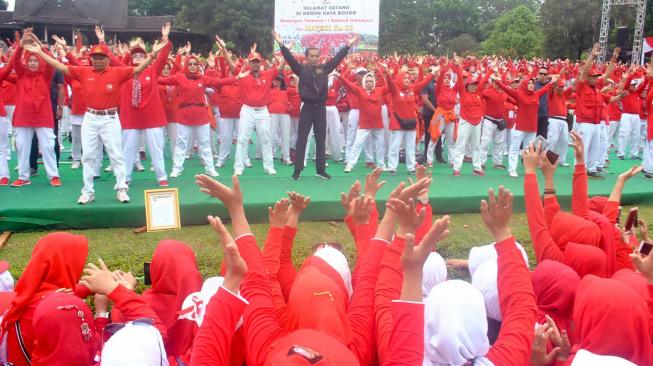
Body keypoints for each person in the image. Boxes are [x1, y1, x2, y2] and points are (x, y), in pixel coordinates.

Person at [21, 31, 167, 204]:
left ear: (107, 59)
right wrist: (39, 52)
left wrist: (152, 54)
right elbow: (60, 67)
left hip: (110, 118)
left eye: (101, 57)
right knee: (88, 156)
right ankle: (88, 191)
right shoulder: (84, 72)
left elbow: (139, 68)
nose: (97, 60)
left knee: (116, 155)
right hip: (90, 118)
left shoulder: (117, 72)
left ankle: (121, 189)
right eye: (94, 57)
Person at [273, 30, 356, 180]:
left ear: (319, 58)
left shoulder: (324, 69)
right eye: (311, 56)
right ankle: (297, 170)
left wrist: (347, 46)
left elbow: (337, 58)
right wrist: (281, 44)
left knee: (320, 139)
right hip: (307, 108)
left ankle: (320, 170)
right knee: (302, 139)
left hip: (321, 108)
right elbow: (289, 58)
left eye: (316, 56)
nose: (314, 58)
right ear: (306, 57)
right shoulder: (300, 69)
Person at [158, 39, 243, 179]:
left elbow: (219, 82)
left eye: (195, 64)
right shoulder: (179, 77)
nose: (192, 66)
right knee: (181, 143)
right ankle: (177, 168)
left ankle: (210, 168)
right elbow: (161, 79)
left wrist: (237, 77)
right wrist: (146, 73)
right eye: (190, 64)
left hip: (201, 116)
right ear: (186, 65)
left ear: (198, 66)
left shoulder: (202, 78)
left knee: (205, 143)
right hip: (184, 116)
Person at [117, 23, 172, 187]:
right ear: (130, 58)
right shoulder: (124, 72)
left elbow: (163, 57)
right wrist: (105, 43)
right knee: (127, 150)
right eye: (135, 55)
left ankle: (161, 176)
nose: (138, 57)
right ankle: (125, 177)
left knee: (156, 149)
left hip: (151, 117)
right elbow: (113, 60)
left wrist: (165, 39)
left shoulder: (152, 71)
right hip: (131, 118)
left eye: (142, 55)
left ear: (147, 57)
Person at [11, 34, 61, 188]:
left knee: (47, 146)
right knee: (22, 147)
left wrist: (40, 48)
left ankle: (53, 176)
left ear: (40, 63)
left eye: (36, 61)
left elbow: (51, 62)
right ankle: (23, 176)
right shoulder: (21, 74)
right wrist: (21, 46)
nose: (33, 63)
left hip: (43, 117)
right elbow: (14, 61)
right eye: (30, 60)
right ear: (26, 63)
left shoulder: (45, 75)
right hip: (23, 118)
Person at [232, 49, 286, 177]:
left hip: (262, 111)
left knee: (266, 139)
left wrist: (285, 53)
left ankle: (269, 166)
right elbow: (231, 66)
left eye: (257, 62)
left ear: (261, 62)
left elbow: (279, 68)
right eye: (253, 62)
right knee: (242, 139)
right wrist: (223, 50)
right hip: (247, 110)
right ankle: (239, 167)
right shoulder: (243, 74)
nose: (255, 64)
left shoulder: (267, 74)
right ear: (249, 63)